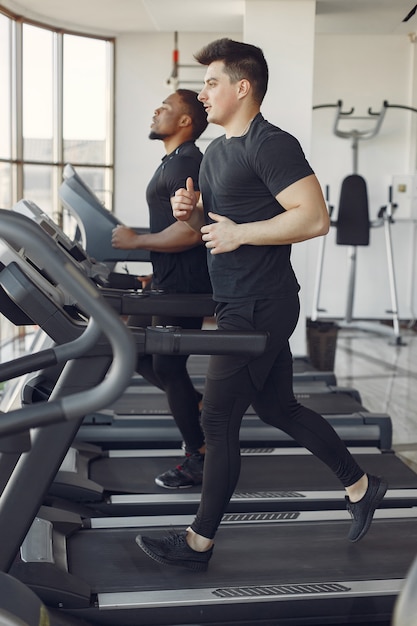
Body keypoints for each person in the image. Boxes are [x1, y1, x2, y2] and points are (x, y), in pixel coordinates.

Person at [136, 38, 388, 570]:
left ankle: (196, 543)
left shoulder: (270, 143)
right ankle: (362, 486)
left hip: (260, 302)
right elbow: (217, 230)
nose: (203, 93)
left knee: (219, 419)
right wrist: (192, 214)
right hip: (237, 299)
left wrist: (241, 233)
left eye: (212, 82)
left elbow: (314, 217)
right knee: (277, 408)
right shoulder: (219, 153)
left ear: (242, 87)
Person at [111, 89, 212, 489]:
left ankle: (198, 455)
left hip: (186, 285)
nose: (156, 110)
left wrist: (137, 242)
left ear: (186, 121)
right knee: (132, 349)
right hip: (168, 280)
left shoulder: (188, 163)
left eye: (165, 108)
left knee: (168, 367)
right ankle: (195, 402)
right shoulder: (173, 161)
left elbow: (190, 232)